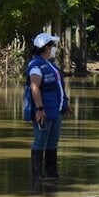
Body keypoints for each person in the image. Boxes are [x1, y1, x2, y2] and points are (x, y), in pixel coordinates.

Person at [26, 32, 70, 180]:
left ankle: (51, 172)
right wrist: (39, 109)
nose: (53, 48)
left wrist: (65, 103)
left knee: (53, 141)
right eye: (52, 45)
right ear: (45, 47)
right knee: (40, 140)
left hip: (56, 110)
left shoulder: (50, 64)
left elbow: (58, 86)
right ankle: (37, 175)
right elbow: (34, 88)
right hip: (44, 111)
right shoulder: (36, 66)